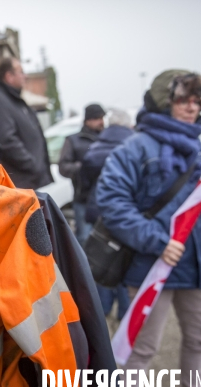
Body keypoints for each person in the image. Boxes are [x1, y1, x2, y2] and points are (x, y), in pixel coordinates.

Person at [97, 70, 201, 387]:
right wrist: (157, 241)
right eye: (183, 99)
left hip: (195, 267)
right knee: (140, 350)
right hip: (151, 265)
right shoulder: (135, 148)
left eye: (197, 99)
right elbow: (112, 202)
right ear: (163, 101)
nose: (192, 107)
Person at [81, 109, 134, 322]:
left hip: (100, 211)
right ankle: (125, 313)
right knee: (126, 262)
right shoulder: (135, 148)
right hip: (129, 214)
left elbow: (84, 180)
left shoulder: (95, 148)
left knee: (102, 260)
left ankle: (101, 312)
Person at [0, 57, 53, 189]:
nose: (25, 76)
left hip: (34, 182)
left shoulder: (14, 99)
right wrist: (33, 166)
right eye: (21, 72)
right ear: (9, 76)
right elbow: (6, 141)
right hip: (22, 184)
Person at [58, 103, 105, 246]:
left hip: (104, 197)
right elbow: (63, 167)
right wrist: (83, 167)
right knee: (84, 238)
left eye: (102, 117)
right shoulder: (73, 140)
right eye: (97, 118)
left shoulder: (106, 139)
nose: (101, 121)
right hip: (83, 198)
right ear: (88, 120)